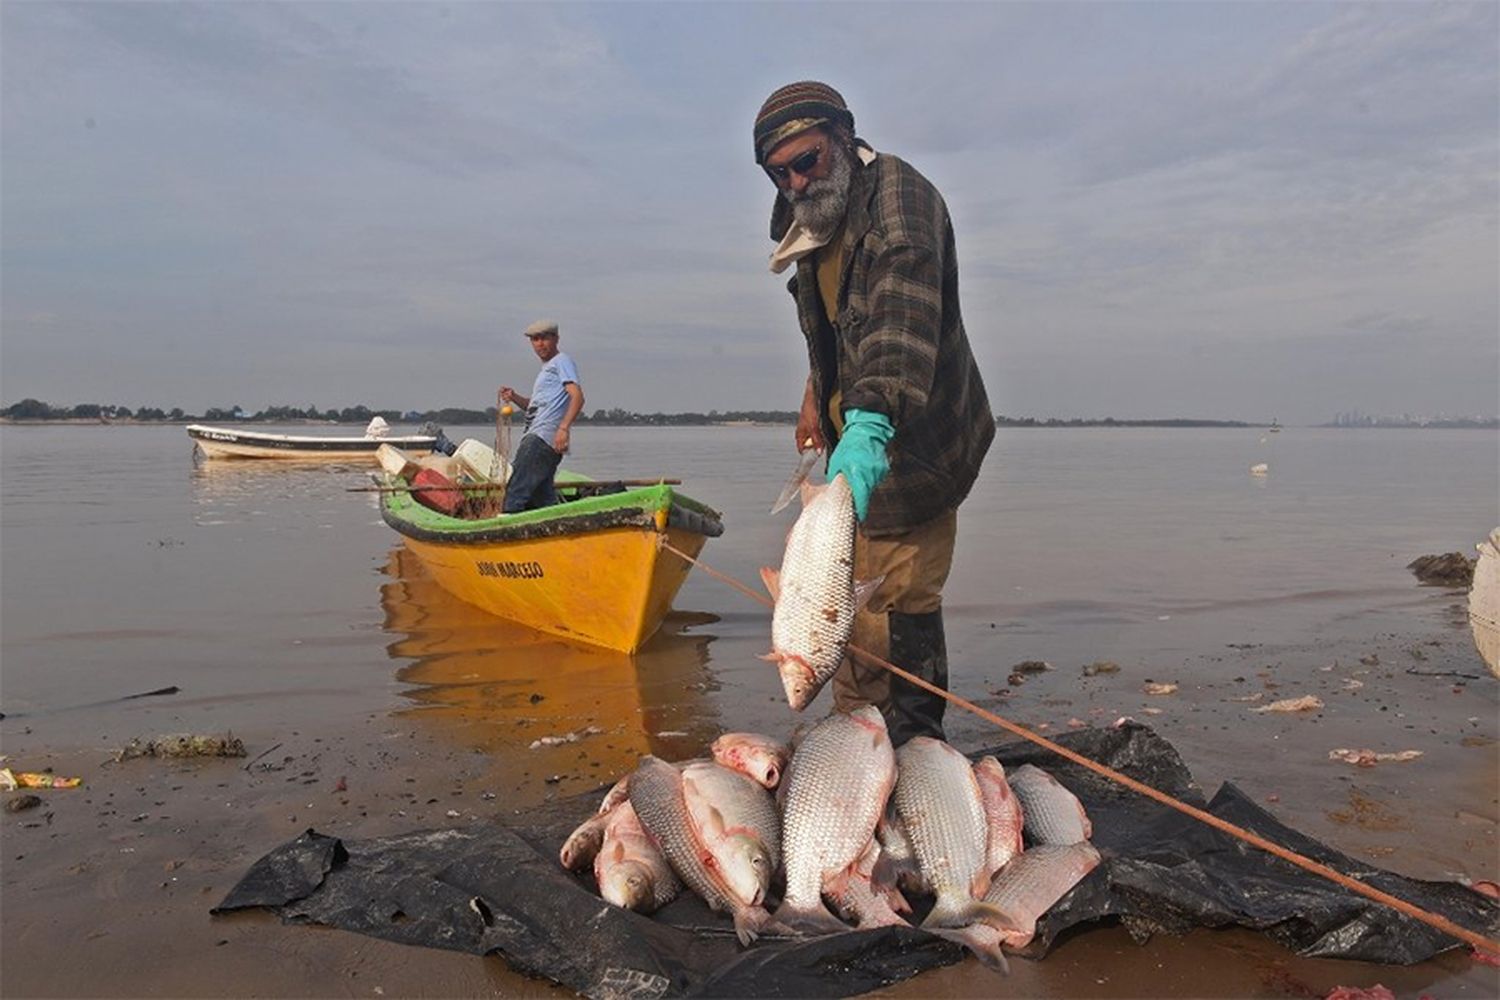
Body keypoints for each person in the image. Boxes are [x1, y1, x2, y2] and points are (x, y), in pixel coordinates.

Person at [753, 81, 994, 746]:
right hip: (855, 437)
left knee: (901, 605)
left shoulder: (900, 205)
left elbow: (894, 326)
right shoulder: (814, 223)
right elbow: (840, 328)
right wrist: (816, 390)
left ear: (842, 138)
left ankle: (915, 753)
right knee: (851, 616)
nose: (799, 179)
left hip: (916, 447)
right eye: (783, 171)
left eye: (810, 160)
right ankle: (859, 739)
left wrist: (867, 426)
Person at [499, 320, 584, 513]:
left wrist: (564, 428)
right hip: (543, 439)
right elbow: (534, 407)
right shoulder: (546, 370)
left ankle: (505, 535)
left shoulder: (561, 361)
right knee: (543, 499)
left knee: (514, 495)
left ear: (556, 339)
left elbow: (577, 396)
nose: (540, 344)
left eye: (545, 338)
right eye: (535, 339)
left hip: (541, 439)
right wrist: (514, 397)